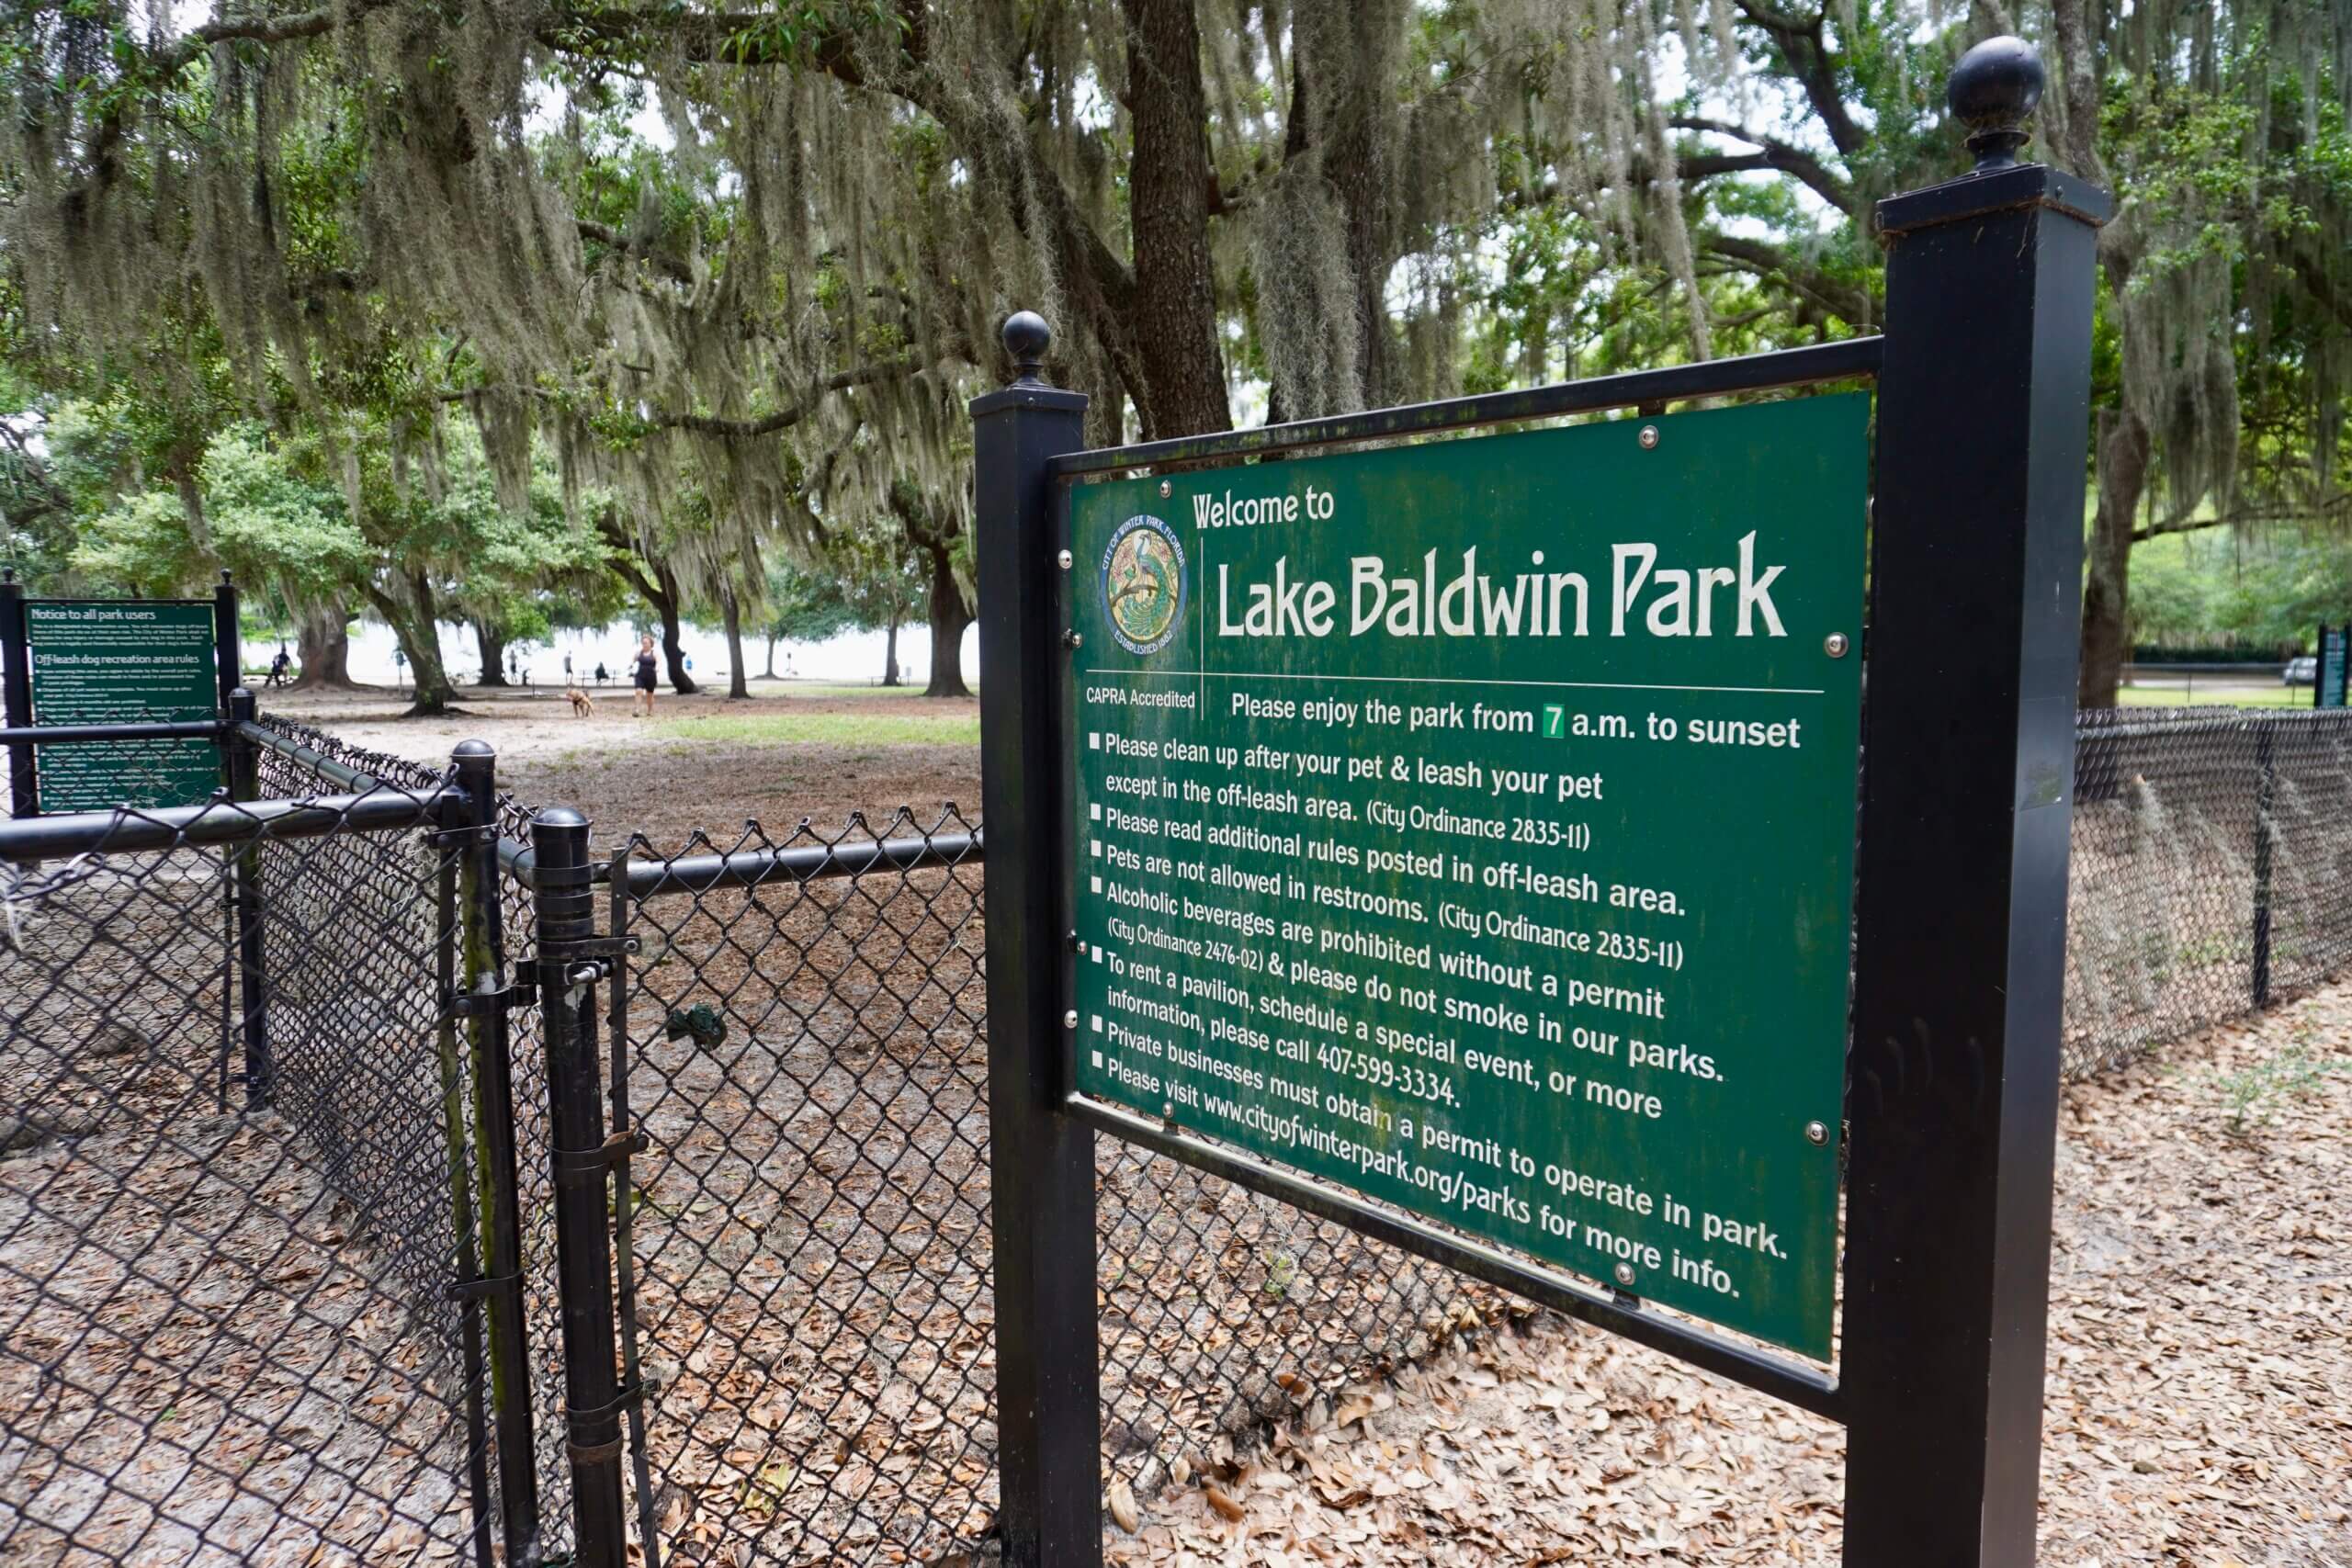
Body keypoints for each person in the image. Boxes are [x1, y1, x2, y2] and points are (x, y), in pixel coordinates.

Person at [633, 633, 659, 717]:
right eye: (643, 643)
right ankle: (637, 710)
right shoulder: (638, 653)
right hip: (640, 676)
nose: (644, 644)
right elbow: (632, 661)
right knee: (638, 691)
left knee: (649, 695)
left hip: (651, 676)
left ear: (650, 644)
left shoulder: (654, 653)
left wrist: (657, 668)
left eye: (646, 643)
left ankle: (650, 711)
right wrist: (630, 666)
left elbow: (658, 662)